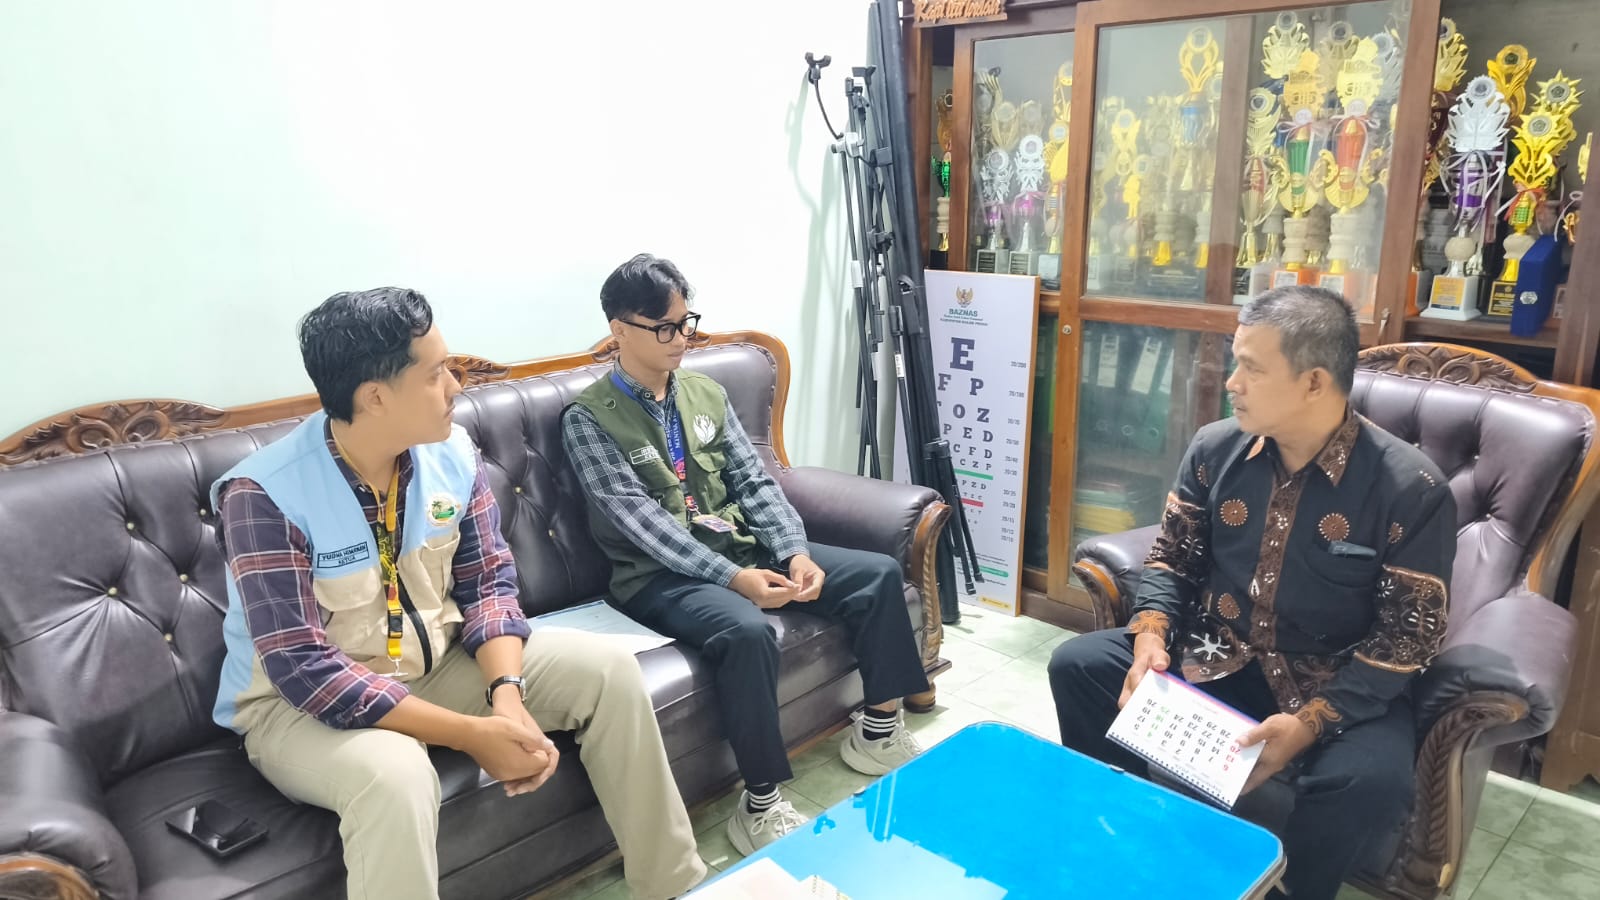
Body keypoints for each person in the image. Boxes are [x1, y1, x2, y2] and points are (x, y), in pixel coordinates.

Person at [211, 287, 704, 900]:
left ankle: (673, 886)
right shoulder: (263, 495)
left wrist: (507, 696)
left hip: (439, 664)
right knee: (395, 777)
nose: (455, 386)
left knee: (609, 673)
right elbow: (303, 667)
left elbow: (488, 584)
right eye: (435, 373)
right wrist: (472, 735)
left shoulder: (452, 452)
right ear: (375, 397)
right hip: (296, 710)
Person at [1048, 286, 1457, 900]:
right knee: (1079, 665)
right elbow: (1172, 560)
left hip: (1334, 680)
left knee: (1368, 782)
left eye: (1252, 368)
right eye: (1234, 362)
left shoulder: (1411, 489)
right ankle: (1126, 834)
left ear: (1314, 382)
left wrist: (1309, 724)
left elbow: (1405, 640)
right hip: (1217, 653)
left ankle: (1293, 888)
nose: (1231, 383)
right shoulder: (1216, 449)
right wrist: (1151, 634)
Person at [562, 254, 931, 856]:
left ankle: (879, 730)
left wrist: (793, 552)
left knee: (876, 574)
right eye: (663, 327)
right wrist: (735, 579)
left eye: (685, 322)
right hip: (657, 576)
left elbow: (755, 483)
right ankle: (760, 803)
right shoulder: (589, 419)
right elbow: (643, 526)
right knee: (747, 631)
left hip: (739, 546)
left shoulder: (705, 392)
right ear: (619, 329)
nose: (681, 338)